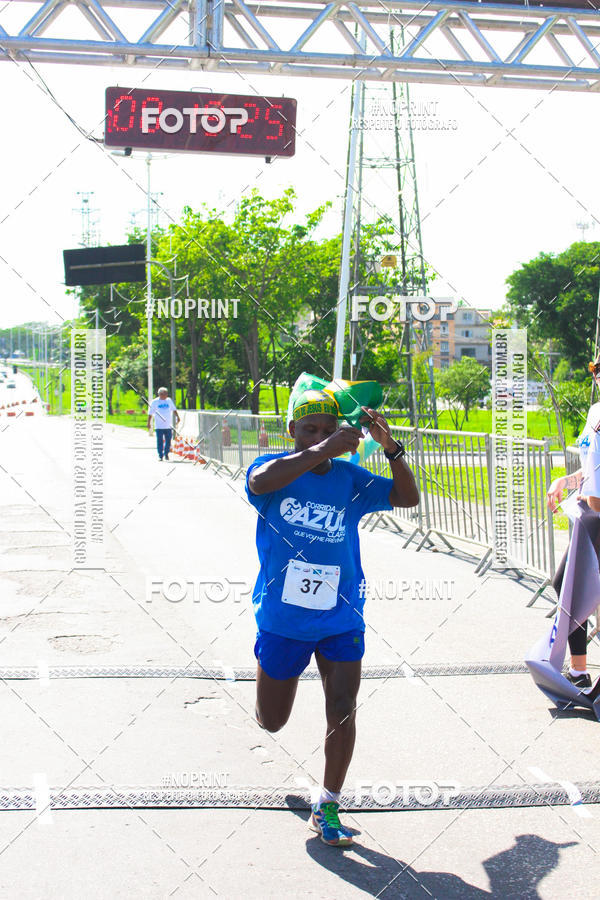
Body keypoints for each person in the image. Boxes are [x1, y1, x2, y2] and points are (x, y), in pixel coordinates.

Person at [245, 388, 419, 846]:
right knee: (272, 721)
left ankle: (328, 804)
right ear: (292, 432)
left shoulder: (349, 479)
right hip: (284, 621)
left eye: (328, 429)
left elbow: (407, 497)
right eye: (310, 430)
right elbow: (259, 483)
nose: (321, 436)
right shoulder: (273, 471)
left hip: (341, 616)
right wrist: (323, 449)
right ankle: (265, 684)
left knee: (342, 708)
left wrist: (391, 447)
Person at [546, 354, 600, 690]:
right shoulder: (595, 412)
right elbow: (592, 464)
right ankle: (578, 672)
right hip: (588, 516)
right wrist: (567, 480)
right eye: (596, 369)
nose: (598, 376)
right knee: (566, 583)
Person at [147, 387, 180, 461]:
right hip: (159, 426)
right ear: (160, 394)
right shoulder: (155, 402)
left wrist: (178, 416)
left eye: (166, 393)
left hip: (168, 425)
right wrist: (148, 423)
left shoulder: (169, 401)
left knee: (168, 440)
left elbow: (174, 409)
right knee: (160, 441)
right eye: (164, 394)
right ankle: (160, 455)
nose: (165, 395)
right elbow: (150, 413)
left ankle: (166, 454)